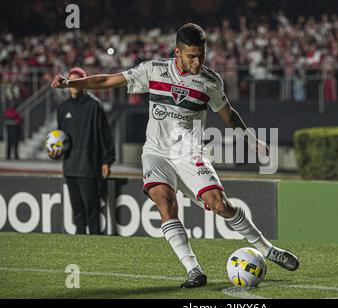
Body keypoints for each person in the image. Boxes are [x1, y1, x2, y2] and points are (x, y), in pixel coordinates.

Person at [51, 23, 299, 288]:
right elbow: (107, 80)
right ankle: (194, 270)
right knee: (164, 202)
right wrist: (71, 83)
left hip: (189, 152)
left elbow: (228, 114)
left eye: (201, 55)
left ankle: (267, 249)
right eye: (191, 56)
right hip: (156, 152)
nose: (197, 61)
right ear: (177, 52)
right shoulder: (153, 70)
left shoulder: (210, 81)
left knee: (220, 205)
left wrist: (250, 137)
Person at [49, 67, 116, 235]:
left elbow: (105, 135)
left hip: (89, 167)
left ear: (83, 83)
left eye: (76, 81)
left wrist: (107, 160)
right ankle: (79, 246)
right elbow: (60, 137)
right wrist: (55, 152)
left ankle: (95, 247)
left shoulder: (94, 105)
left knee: (92, 211)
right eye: (69, 81)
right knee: (77, 212)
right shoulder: (62, 108)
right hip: (70, 167)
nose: (72, 84)